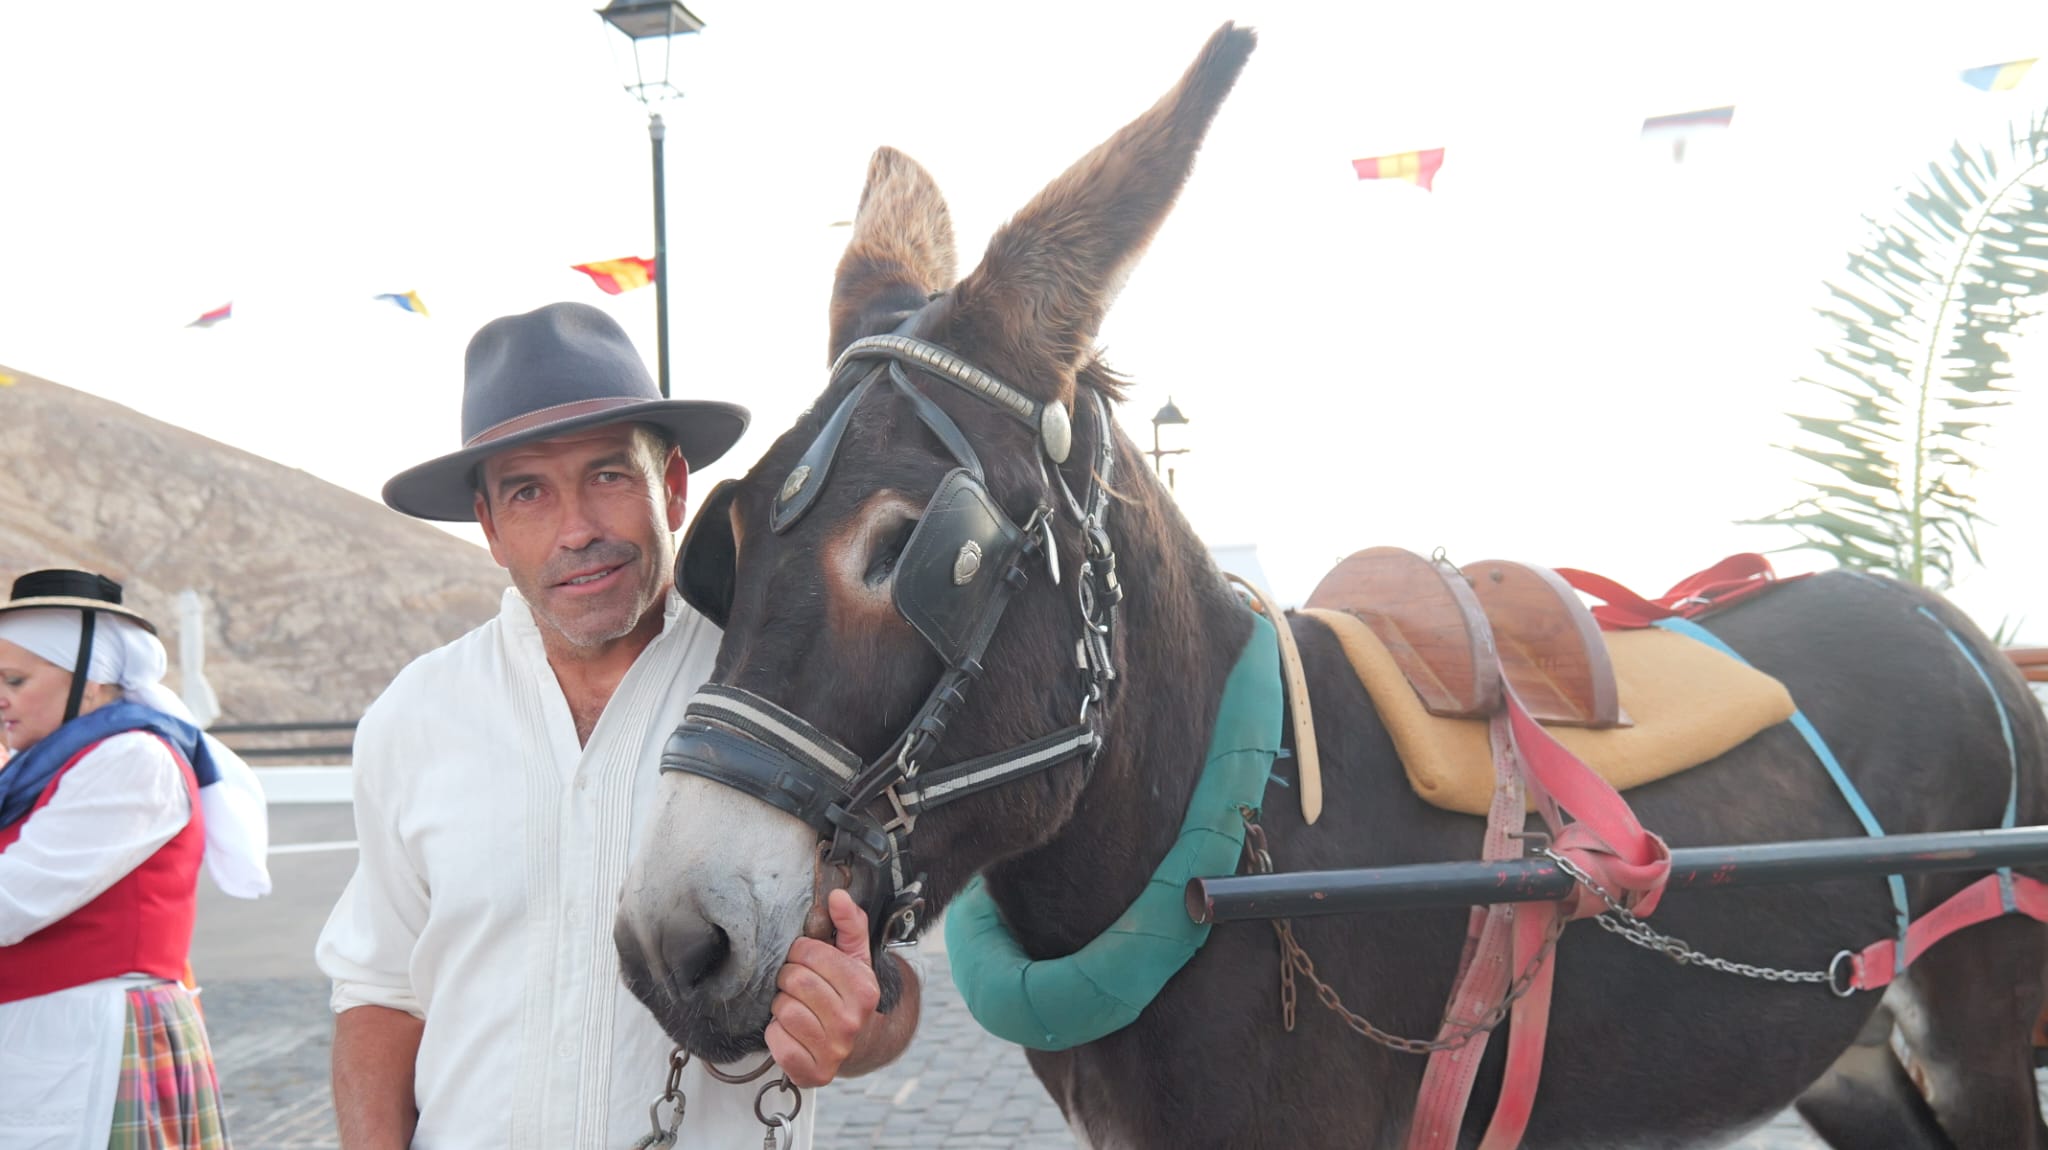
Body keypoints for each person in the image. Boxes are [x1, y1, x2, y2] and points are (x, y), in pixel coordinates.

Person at [316, 302, 921, 1149]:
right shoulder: (415, 718)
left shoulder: (784, 696)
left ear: (672, 487)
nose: (578, 530)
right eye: (528, 492)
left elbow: (888, 984)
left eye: (608, 475)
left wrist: (858, 1022)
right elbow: (380, 990)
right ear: (489, 527)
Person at [0, 569, 273, 1150]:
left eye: (15, 679)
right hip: (45, 1035)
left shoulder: (132, 760)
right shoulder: (42, 767)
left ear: (92, 682)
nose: (1, 697)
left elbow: (10, 901)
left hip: (92, 1033)